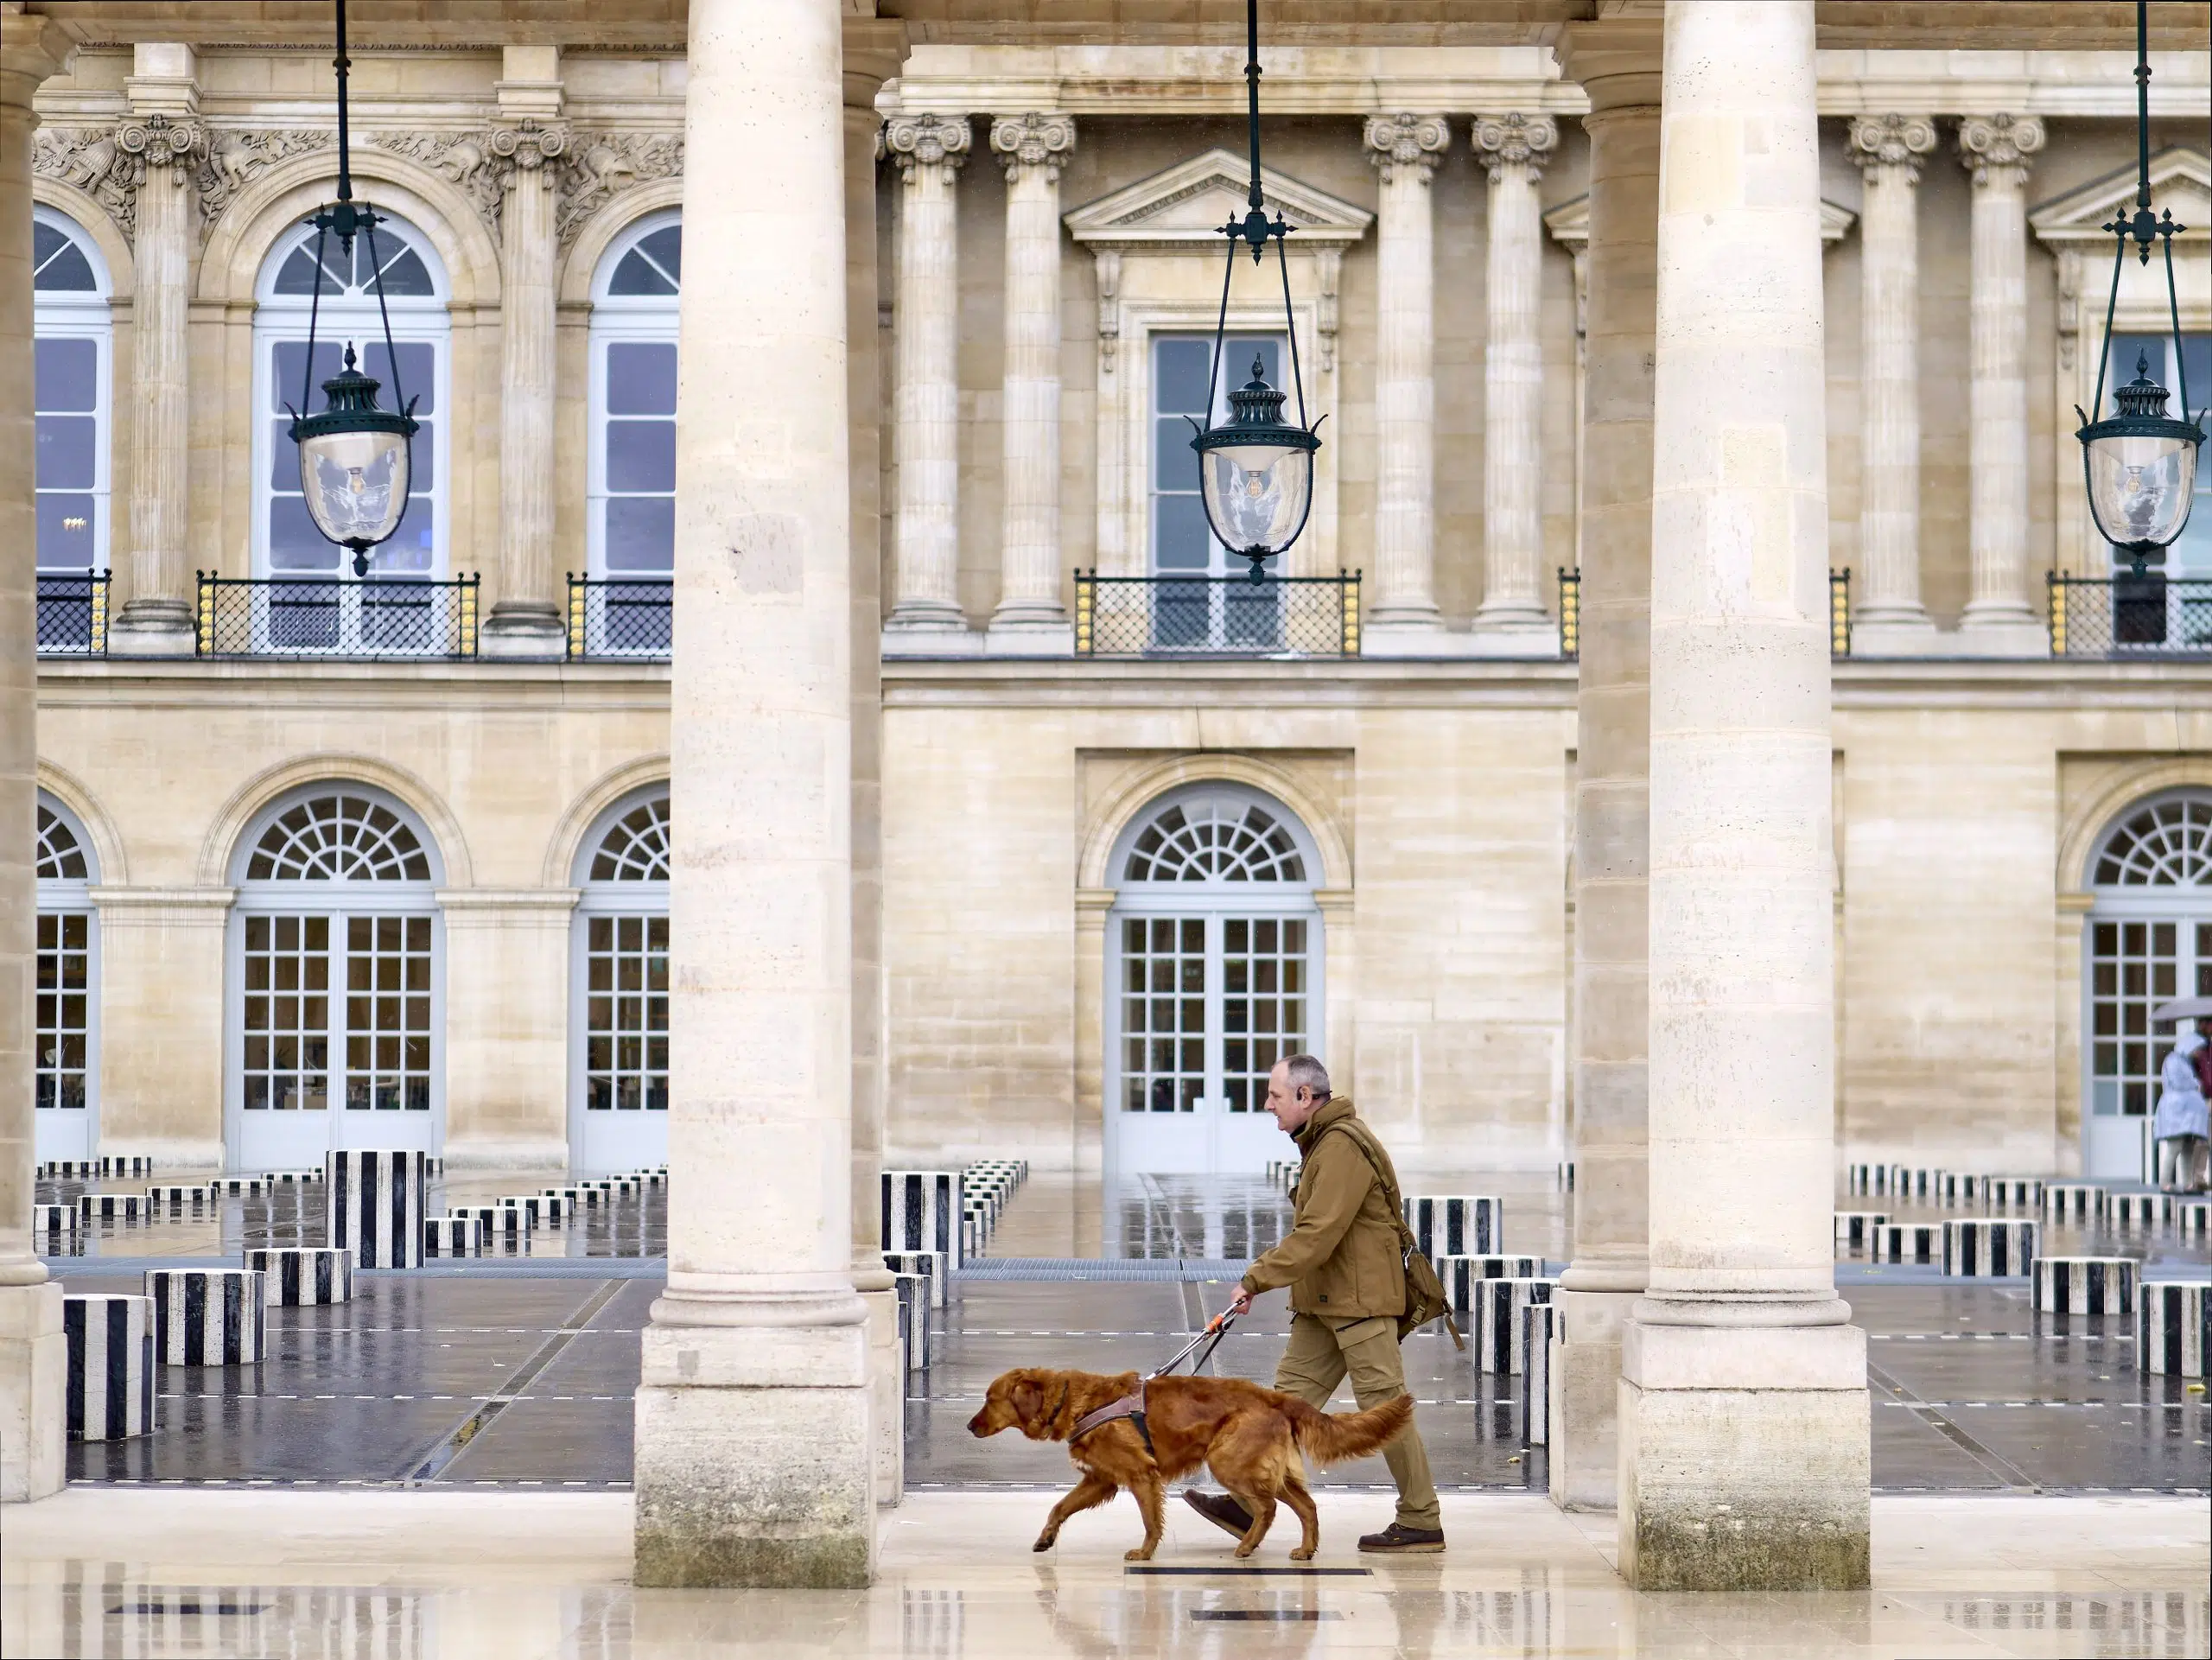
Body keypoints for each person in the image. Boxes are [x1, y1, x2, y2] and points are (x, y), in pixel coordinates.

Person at [1182, 1054, 1445, 1554]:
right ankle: (1244, 1506)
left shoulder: (1341, 1146)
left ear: (1306, 1097)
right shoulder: (1322, 1142)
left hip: (1361, 1306)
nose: (1268, 1106)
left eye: (1275, 1096)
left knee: (1383, 1413)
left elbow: (1317, 1235)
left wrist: (1256, 1279)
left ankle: (1421, 1519)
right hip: (1326, 1303)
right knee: (1276, 1411)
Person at [2153, 1027, 2209, 1194]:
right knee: (2175, 1146)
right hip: (2177, 1112)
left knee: (2188, 1148)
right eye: (2198, 1049)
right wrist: (2195, 1085)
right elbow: (2180, 1083)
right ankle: (2165, 1182)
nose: (2199, 1053)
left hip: (2187, 1114)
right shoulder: (2174, 1061)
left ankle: (2188, 1184)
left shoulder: (2184, 1061)